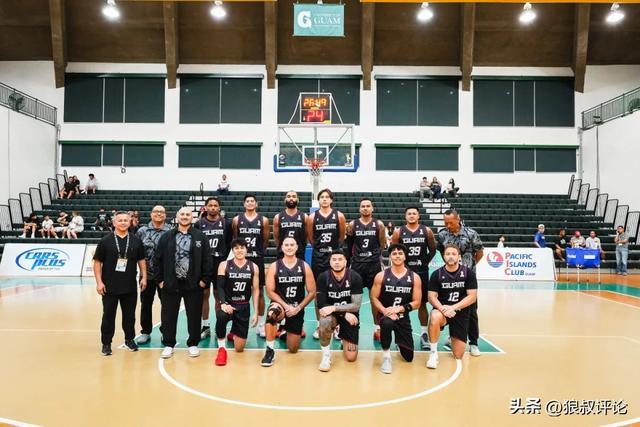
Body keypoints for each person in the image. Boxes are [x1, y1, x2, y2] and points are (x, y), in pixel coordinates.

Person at [155, 207, 213, 359]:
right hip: (170, 283)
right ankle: (169, 344)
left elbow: (207, 260)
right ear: (177, 216)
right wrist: (160, 281)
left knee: (194, 315)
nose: (185, 216)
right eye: (182, 214)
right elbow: (157, 259)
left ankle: (193, 343)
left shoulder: (200, 237)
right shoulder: (167, 236)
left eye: (188, 214)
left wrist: (204, 281)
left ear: (192, 218)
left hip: (193, 284)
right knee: (168, 315)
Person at [93, 211, 147, 356]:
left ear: (130, 222)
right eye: (120, 220)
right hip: (109, 286)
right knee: (108, 316)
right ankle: (106, 343)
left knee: (129, 316)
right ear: (114, 223)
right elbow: (97, 262)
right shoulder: (105, 241)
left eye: (125, 220)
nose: (123, 222)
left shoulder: (136, 240)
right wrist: (99, 282)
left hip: (129, 286)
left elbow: (141, 260)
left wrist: (144, 277)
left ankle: (129, 339)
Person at [261, 237, 316, 367]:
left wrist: (299, 308)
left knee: (293, 349)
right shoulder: (274, 266)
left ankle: (284, 330)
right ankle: (269, 351)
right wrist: (286, 306)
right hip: (280, 305)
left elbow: (312, 292)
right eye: (286, 245)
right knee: (272, 313)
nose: (289, 247)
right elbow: (270, 292)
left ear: (297, 247)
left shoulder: (304, 266)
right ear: (282, 247)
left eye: (292, 245)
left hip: (296, 308)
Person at [436, 209, 483, 357]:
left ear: (458, 219)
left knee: (471, 311)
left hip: (467, 279)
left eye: (451, 222)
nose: (448, 225)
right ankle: (452, 337)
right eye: (446, 223)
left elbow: (480, 252)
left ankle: (474, 343)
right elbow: (442, 251)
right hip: (448, 278)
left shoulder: (471, 233)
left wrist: (469, 268)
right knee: (446, 307)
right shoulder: (442, 234)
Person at [370, 244, 421, 374]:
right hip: (386, 315)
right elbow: (374, 298)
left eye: (400, 253)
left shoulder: (414, 277)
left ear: (405, 256)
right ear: (390, 257)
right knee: (386, 323)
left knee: (408, 357)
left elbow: (417, 303)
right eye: (394, 254)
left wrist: (399, 309)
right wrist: (385, 311)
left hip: (402, 317)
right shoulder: (381, 276)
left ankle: (400, 341)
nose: (397, 256)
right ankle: (386, 357)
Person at [391, 206, 436, 349]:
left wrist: (425, 262)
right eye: (409, 213)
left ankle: (424, 333)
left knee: (422, 303)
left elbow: (433, 250)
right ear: (405, 216)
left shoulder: (426, 231)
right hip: (404, 273)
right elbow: (394, 251)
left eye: (414, 213)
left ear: (418, 216)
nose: (411, 215)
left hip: (421, 272)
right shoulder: (398, 232)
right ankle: (401, 335)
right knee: (401, 304)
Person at [427, 244, 478, 369]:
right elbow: (431, 297)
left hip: (460, 313)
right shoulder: (437, 274)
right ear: (443, 256)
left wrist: (453, 307)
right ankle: (433, 354)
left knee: (458, 355)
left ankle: (452, 339)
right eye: (448, 254)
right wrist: (443, 308)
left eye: (454, 254)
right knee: (434, 316)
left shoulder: (468, 273)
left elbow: (472, 297)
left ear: (459, 257)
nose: (450, 256)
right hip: (443, 312)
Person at [306, 188, 346, 339]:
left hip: (334, 258)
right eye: (321, 197)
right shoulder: (312, 217)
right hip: (318, 258)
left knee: (338, 291)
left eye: (327, 197)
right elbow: (311, 238)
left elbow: (341, 238)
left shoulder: (339, 216)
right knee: (319, 292)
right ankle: (320, 323)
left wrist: (332, 251)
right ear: (319, 200)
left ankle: (337, 325)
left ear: (331, 200)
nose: (324, 199)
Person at [214, 239, 259, 366]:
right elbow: (220, 287)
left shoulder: (253, 267)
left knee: (239, 349)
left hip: (244, 306)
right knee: (221, 316)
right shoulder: (224, 265)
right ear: (232, 250)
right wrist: (223, 303)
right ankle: (222, 349)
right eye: (236, 248)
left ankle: (233, 332)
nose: (239, 250)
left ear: (246, 249)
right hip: (229, 304)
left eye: (242, 247)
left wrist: (256, 312)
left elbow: (256, 290)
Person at [346, 198, 386, 342]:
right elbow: (349, 246)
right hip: (357, 265)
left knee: (375, 298)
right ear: (359, 209)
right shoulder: (352, 225)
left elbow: (382, 245)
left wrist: (374, 257)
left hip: (373, 265)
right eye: (363, 206)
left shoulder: (379, 225)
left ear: (372, 208)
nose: (365, 208)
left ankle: (378, 328)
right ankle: (350, 327)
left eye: (368, 206)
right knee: (353, 298)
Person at [316, 250, 363, 372]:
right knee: (324, 321)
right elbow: (321, 304)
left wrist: (334, 308)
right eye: (334, 259)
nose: (337, 262)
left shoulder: (355, 277)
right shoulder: (323, 277)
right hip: (335, 315)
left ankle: (344, 337)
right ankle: (326, 356)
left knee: (351, 357)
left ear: (345, 262)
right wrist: (343, 313)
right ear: (330, 262)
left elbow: (356, 305)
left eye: (340, 259)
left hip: (350, 316)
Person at [195, 197, 232, 340]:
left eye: (215, 205)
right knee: (203, 295)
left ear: (219, 207)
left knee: (218, 295)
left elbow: (229, 243)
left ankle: (219, 326)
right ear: (205, 207)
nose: (212, 207)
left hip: (219, 263)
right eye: (210, 205)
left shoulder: (226, 223)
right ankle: (205, 326)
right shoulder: (199, 224)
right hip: (203, 264)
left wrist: (223, 259)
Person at [232, 194, 269, 337]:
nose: (250, 203)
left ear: (256, 204)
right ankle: (236, 326)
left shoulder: (263, 220)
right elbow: (236, 239)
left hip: (257, 258)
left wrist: (257, 252)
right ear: (244, 204)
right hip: (241, 259)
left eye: (252, 201)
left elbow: (265, 240)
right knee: (237, 291)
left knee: (259, 291)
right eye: (247, 201)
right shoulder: (237, 220)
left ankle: (261, 325)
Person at [135, 205, 172, 345]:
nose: (159, 214)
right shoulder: (142, 231)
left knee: (167, 305)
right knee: (145, 304)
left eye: (162, 212)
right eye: (156, 211)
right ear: (151, 214)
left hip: (165, 276)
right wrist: (142, 275)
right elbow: (138, 254)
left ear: (165, 215)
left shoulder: (171, 231)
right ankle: (145, 332)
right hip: (147, 275)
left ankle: (166, 331)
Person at [273, 191, 307, 260]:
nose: (291, 198)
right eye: (288, 196)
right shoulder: (278, 217)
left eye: (294, 196)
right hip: (282, 253)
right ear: (285, 200)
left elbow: (306, 236)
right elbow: (276, 238)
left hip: (299, 252)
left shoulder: (304, 216)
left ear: (298, 200)